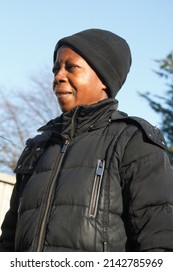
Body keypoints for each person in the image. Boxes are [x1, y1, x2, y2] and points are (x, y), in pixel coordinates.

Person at [0, 28, 173, 252]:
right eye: (56, 69)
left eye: (70, 67)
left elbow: (160, 245)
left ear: (103, 78)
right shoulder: (37, 148)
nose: (57, 77)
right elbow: (8, 241)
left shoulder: (134, 142)